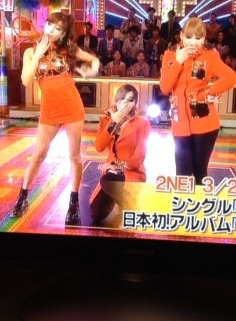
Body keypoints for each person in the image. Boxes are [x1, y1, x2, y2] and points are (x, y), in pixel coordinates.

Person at [11, 11, 100, 224]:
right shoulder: (30, 51)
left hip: (72, 107)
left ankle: (73, 202)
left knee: (74, 156)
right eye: (50, 24)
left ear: (62, 34)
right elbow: (25, 80)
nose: (52, 30)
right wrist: (39, 53)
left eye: (58, 28)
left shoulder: (67, 49)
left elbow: (93, 60)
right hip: (49, 110)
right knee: (38, 155)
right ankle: (22, 196)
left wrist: (91, 70)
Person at [160, 16, 236, 184]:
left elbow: (232, 77)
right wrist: (178, 61)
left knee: (199, 174)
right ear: (181, 36)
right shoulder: (169, 56)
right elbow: (165, 87)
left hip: (205, 123)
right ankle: (182, 202)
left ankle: (199, 201)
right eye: (189, 37)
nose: (193, 42)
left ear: (203, 39)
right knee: (182, 174)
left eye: (198, 38)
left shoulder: (210, 56)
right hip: (179, 122)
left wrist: (208, 92)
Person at [90, 84, 150, 225]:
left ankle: (131, 205)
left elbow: (138, 159)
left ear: (135, 103)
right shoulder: (106, 120)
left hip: (131, 172)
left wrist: (116, 167)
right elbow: (99, 147)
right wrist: (113, 123)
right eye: (122, 99)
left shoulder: (142, 124)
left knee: (108, 180)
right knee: (95, 213)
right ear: (116, 101)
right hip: (111, 174)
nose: (125, 103)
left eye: (130, 100)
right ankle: (120, 200)